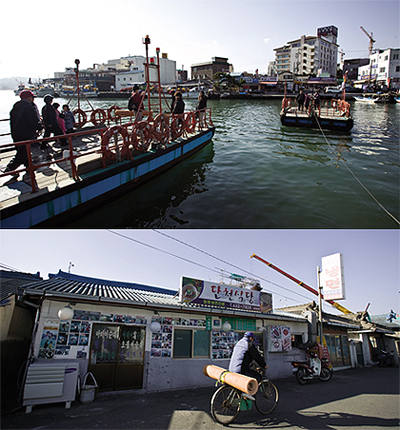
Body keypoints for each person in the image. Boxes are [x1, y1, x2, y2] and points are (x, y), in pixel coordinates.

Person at [2, 90, 43, 179]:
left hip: (16, 133)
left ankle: (29, 167)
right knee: (22, 153)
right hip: (25, 134)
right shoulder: (28, 108)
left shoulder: (16, 107)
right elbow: (32, 120)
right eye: (32, 97)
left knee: (24, 151)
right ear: (28, 98)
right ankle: (10, 169)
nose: (33, 99)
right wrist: (40, 127)